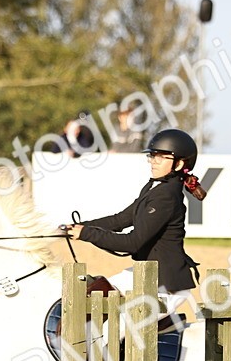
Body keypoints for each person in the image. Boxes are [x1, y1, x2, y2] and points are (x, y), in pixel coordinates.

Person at [65, 128, 207, 318]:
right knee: (95, 292)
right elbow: (120, 220)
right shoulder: (154, 187)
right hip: (146, 273)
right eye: (153, 156)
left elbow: (133, 243)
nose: (154, 161)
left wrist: (86, 234)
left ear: (179, 164)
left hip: (166, 286)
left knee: (112, 329)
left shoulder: (166, 197)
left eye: (161, 157)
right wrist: (80, 226)